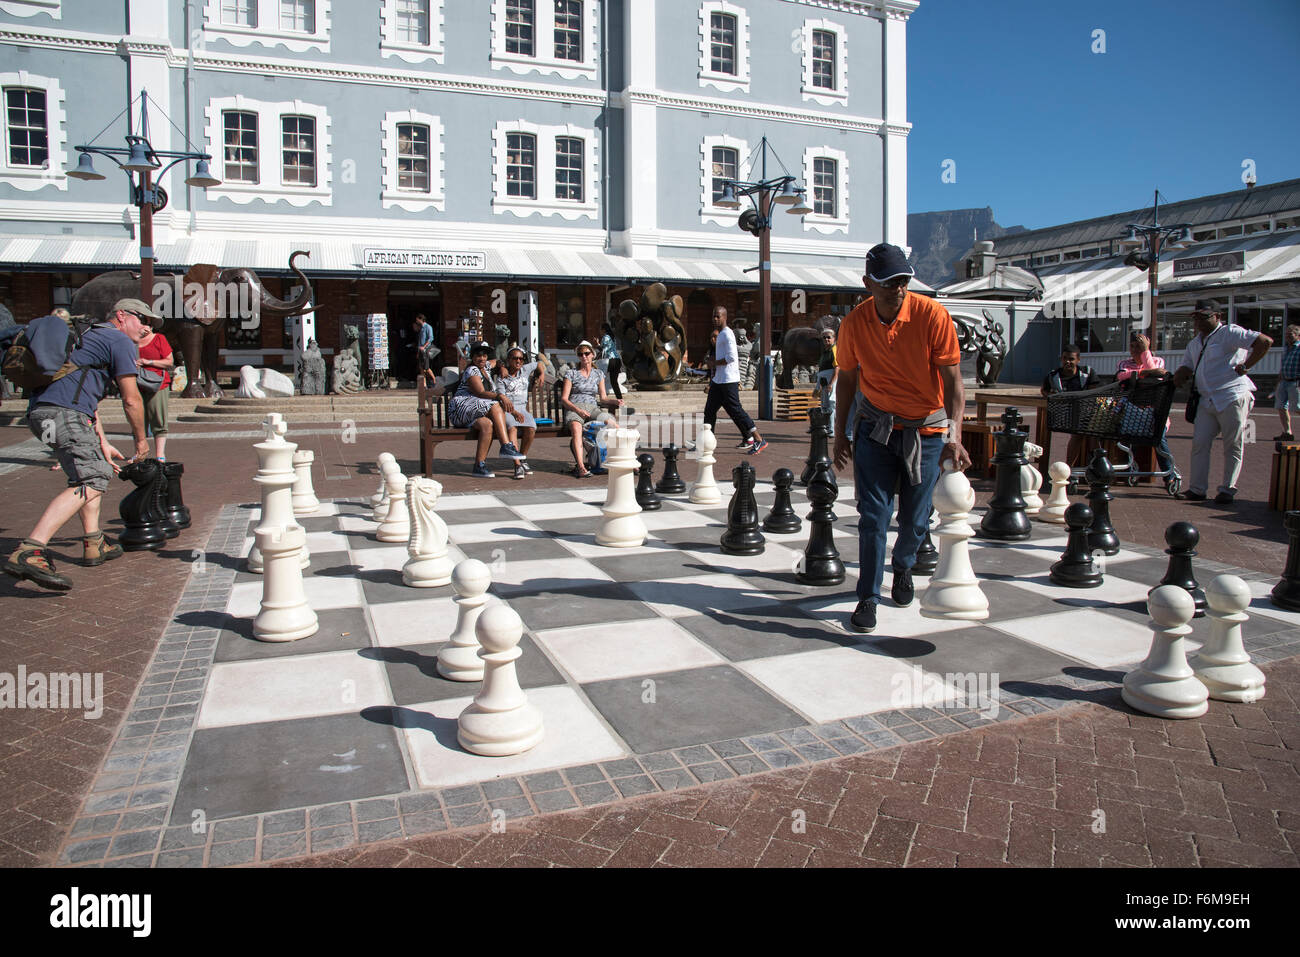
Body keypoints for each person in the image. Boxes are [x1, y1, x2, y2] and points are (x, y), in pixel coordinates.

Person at [832, 243, 969, 634]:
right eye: (888, 282)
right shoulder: (854, 323)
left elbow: (954, 383)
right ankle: (867, 597)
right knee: (873, 515)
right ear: (868, 284)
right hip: (874, 429)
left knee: (915, 518)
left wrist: (954, 436)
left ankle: (904, 566)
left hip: (925, 431)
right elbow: (847, 381)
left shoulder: (932, 316)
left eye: (903, 280)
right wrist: (841, 433)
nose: (898, 289)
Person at [4, 298, 156, 591]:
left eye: (151, 323)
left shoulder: (87, 336)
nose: (148, 327)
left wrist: (102, 441)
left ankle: (93, 542)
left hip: (41, 415)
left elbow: (88, 399)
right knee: (94, 477)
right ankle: (31, 550)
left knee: (89, 472)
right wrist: (141, 441)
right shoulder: (118, 340)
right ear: (121, 316)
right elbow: (131, 399)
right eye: (143, 319)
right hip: (64, 414)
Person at [1171, 299, 1272, 504]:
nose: (1198, 321)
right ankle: (1198, 489)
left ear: (1217, 317)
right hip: (1207, 399)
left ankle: (1227, 488)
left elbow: (1264, 342)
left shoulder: (1229, 333)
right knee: (1200, 443)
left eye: (1204, 316)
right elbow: (1187, 367)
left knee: (1232, 444)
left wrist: (1246, 366)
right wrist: (1174, 377)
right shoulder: (1194, 343)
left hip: (1231, 396)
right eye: (1196, 317)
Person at [446, 341, 526, 478]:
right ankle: (506, 445)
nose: (482, 358)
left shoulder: (486, 368)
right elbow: (480, 392)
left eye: (484, 355)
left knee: (487, 425)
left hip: (474, 411)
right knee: (495, 404)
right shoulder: (472, 370)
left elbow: (498, 360)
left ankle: (479, 465)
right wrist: (500, 396)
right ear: (472, 356)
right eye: (478, 355)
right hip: (461, 407)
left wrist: (502, 367)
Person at [1115, 331, 1175, 482]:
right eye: (1133, 346)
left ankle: (1169, 476)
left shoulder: (1158, 361)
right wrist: (1147, 372)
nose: (1136, 349)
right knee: (1129, 435)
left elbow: (1159, 376)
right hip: (1132, 412)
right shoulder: (1124, 364)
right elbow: (1122, 377)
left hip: (1154, 412)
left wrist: (1145, 354)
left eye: (1139, 346)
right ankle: (1129, 468)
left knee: (1158, 438)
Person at [705, 306, 767, 453]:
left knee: (736, 410)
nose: (715, 319)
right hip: (719, 380)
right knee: (709, 411)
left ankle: (758, 439)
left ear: (725, 317)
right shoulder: (720, 335)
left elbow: (732, 357)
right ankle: (706, 442)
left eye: (718, 316)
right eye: (714, 316)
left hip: (728, 379)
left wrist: (715, 362)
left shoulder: (727, 334)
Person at [561, 340, 622, 478]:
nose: (584, 356)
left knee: (613, 425)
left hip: (593, 408)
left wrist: (615, 401)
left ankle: (624, 459)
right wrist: (578, 410)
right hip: (575, 407)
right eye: (580, 354)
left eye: (587, 353)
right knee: (577, 430)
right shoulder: (571, 373)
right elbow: (564, 399)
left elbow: (603, 398)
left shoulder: (598, 373)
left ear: (592, 355)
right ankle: (581, 467)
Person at [1041, 345, 1100, 467]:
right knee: (1082, 431)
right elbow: (1044, 391)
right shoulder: (1053, 376)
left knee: (1091, 429)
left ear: (1078, 360)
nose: (1067, 362)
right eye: (1065, 358)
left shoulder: (1087, 373)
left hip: (1086, 413)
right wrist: (1052, 397)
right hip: (1064, 414)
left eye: (1071, 359)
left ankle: (1092, 463)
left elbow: (1094, 392)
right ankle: (1080, 465)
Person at [494, 347, 543, 480]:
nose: (518, 361)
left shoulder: (525, 370)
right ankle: (517, 465)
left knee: (532, 427)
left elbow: (539, 363)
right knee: (512, 427)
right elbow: (501, 399)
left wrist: (541, 373)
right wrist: (514, 413)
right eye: (515, 358)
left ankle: (522, 458)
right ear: (509, 360)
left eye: (521, 358)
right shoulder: (502, 378)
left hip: (522, 408)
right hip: (507, 410)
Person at [136, 326, 174, 461]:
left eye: (145, 323)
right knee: (137, 419)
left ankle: (160, 454)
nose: (143, 326)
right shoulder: (130, 340)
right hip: (135, 383)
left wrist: (149, 362)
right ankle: (140, 453)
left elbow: (169, 361)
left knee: (158, 417)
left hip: (157, 383)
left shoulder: (159, 338)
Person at [1274, 323, 1300, 441]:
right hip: (1284, 381)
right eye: (1286, 335)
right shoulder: (1286, 349)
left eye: (1290, 335)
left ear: (1297, 335)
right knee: (1281, 407)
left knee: (1297, 408)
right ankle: (1287, 432)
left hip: (1295, 382)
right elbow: (1283, 366)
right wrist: (1278, 383)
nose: (1288, 337)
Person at [816, 326, 838, 437]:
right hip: (824, 381)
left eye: (828, 337)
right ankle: (827, 427)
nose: (826, 340)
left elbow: (837, 368)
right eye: (824, 338)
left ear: (834, 338)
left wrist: (831, 383)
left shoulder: (834, 350)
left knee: (831, 405)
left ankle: (832, 429)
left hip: (830, 381)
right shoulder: (825, 351)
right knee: (824, 405)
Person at [600, 322, 623, 400]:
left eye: (601, 330)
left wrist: (597, 345)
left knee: (600, 378)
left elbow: (603, 349)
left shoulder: (605, 337)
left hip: (610, 361)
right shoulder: (613, 337)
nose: (600, 331)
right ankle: (620, 399)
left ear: (603, 330)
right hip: (617, 361)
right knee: (614, 382)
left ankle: (603, 399)